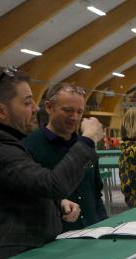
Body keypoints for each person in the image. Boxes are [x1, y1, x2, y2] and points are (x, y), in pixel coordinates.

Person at [0, 66, 102, 259]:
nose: (34, 108)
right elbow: (52, 184)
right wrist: (88, 140)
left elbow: (22, 188)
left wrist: (55, 203)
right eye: (27, 102)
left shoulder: (7, 141)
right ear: (1, 111)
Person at [23, 82, 107, 231]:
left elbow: (95, 193)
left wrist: (105, 227)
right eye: (68, 110)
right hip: (56, 238)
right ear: (49, 107)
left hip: (93, 232)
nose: (74, 117)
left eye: (79, 112)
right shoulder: (28, 147)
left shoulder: (86, 148)